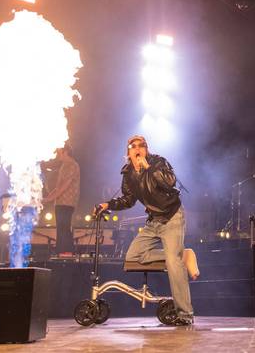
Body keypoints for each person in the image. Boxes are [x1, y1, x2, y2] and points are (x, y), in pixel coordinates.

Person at [96, 135, 199, 326]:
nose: (137, 148)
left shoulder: (158, 162)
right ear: (128, 153)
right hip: (154, 221)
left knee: (173, 264)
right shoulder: (127, 173)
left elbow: (170, 182)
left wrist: (149, 169)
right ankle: (181, 255)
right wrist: (108, 204)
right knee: (134, 256)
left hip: (171, 216)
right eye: (133, 146)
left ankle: (185, 314)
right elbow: (128, 199)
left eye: (141, 145)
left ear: (146, 149)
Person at [43, 146, 80, 257]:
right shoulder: (64, 166)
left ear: (66, 152)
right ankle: (61, 252)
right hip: (60, 202)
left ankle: (67, 252)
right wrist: (48, 197)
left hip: (67, 202)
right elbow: (59, 187)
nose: (57, 155)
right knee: (61, 227)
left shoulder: (72, 165)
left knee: (64, 227)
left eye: (59, 152)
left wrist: (50, 198)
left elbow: (65, 185)